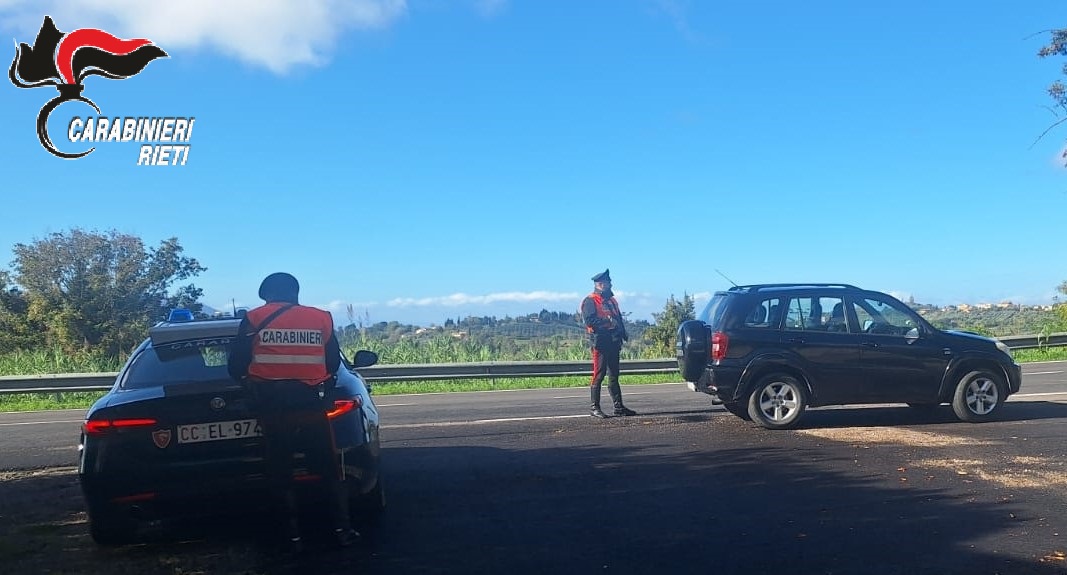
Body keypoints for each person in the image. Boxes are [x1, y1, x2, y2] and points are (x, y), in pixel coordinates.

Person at [228, 272, 358, 553]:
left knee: (280, 472)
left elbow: (236, 365)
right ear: (295, 293)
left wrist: (252, 382)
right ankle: (342, 530)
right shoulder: (320, 318)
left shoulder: (254, 318)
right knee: (328, 470)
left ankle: (292, 537)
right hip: (311, 405)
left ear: (267, 295)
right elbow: (333, 363)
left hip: (273, 408)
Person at [581, 269, 637, 418]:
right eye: (607, 282)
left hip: (614, 341)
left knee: (614, 375)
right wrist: (606, 321)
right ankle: (594, 408)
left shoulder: (612, 300)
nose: (610, 284)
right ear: (600, 284)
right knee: (599, 374)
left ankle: (618, 407)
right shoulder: (590, 300)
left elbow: (618, 318)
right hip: (600, 341)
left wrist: (623, 332)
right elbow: (590, 321)